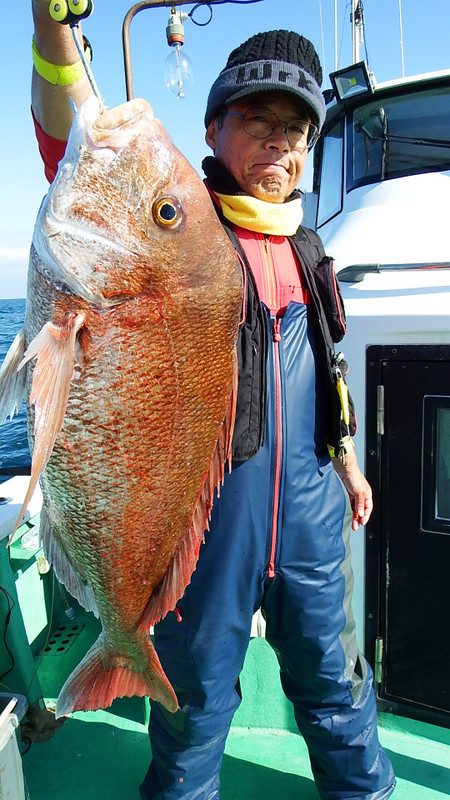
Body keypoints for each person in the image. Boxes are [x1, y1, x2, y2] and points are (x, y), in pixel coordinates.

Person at [30, 4, 395, 799]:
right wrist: (54, 32)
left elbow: (326, 370)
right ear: (214, 128)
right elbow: (70, 140)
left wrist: (348, 463)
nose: (277, 144)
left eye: (294, 131)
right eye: (257, 121)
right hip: (206, 528)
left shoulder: (310, 249)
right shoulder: (178, 225)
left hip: (311, 524)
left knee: (337, 689)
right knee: (194, 709)